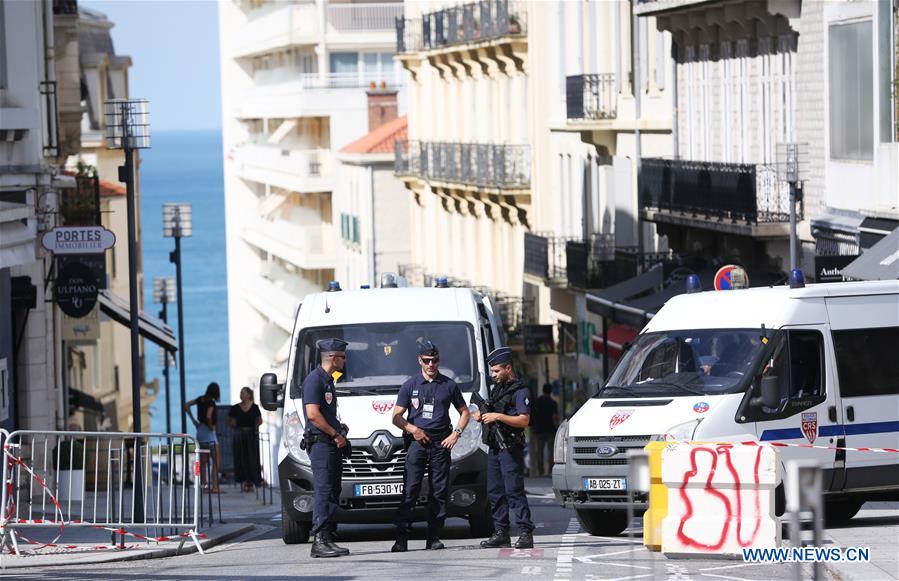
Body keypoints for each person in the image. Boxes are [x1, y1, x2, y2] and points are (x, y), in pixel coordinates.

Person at [391, 341, 470, 552]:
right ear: (420, 360)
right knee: (411, 489)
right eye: (427, 361)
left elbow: (465, 412)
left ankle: (433, 536)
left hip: (440, 442)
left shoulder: (448, 385)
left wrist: (456, 435)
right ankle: (401, 538)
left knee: (439, 491)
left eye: (434, 360)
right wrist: (412, 429)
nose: (431, 364)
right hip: (418, 441)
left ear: (439, 360)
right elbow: (396, 417)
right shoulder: (410, 385)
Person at [474, 347, 535, 549]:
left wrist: (497, 417)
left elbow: (523, 420)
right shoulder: (497, 389)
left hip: (509, 447)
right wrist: (481, 416)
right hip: (494, 447)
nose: (493, 375)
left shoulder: (520, 391)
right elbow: (491, 411)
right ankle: (501, 531)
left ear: (508, 368)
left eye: (497, 371)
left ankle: (525, 532)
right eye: (492, 372)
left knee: (513, 491)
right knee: (494, 491)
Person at [303, 338, 351, 558]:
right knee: (323, 491)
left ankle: (328, 537)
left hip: (330, 443)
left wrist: (338, 427)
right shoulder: (315, 380)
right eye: (342, 356)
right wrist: (334, 434)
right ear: (332, 357)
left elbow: (325, 413)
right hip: (321, 444)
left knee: (333, 491)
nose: (344, 359)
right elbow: (313, 415)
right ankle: (319, 541)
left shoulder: (328, 380)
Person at [185, 382, 223, 493]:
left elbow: (186, 405)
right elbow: (208, 416)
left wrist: (193, 421)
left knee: (202, 462)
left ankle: (204, 487)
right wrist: (211, 426)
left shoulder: (200, 399)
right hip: (209, 433)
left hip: (200, 431)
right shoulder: (211, 403)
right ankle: (215, 487)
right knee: (216, 461)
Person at [228, 387, 263, 492]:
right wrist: (235, 426)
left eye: (243, 393)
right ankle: (243, 482)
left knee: (252, 458)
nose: (241, 395)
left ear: (248, 395)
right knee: (241, 458)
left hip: (251, 435)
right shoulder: (235, 407)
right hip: (240, 435)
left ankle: (252, 482)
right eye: (240, 393)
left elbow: (260, 420)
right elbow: (229, 420)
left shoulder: (255, 407)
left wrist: (254, 427)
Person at [531, 383, 559, 477]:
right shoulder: (553, 403)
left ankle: (541, 471)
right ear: (550, 391)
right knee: (551, 452)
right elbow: (555, 417)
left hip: (539, 430)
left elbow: (533, 415)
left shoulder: (537, 402)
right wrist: (557, 427)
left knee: (539, 452)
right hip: (550, 429)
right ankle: (550, 471)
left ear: (542, 390)